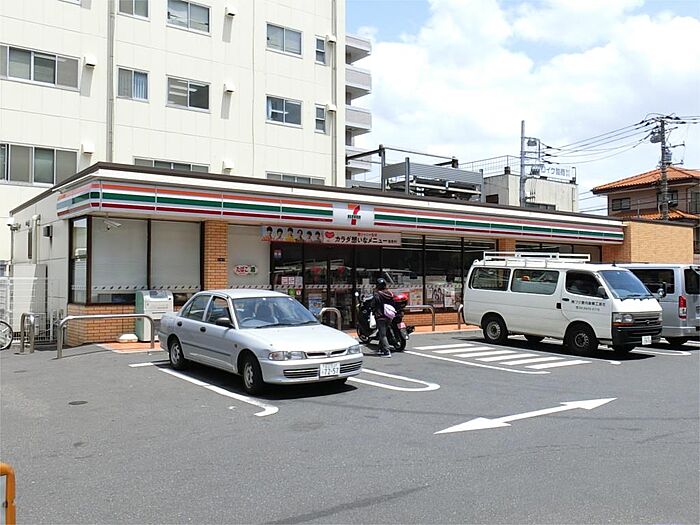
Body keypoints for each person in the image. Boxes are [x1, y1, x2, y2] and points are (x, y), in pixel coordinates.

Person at [372, 278, 396, 357]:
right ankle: (381, 349)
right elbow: (393, 303)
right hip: (389, 315)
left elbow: (373, 304)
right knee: (383, 333)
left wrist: (373, 309)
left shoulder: (377, 294)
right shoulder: (390, 293)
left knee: (383, 335)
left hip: (380, 316)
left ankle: (386, 351)